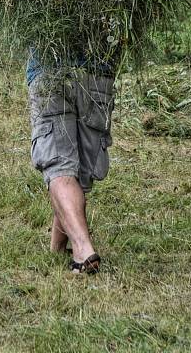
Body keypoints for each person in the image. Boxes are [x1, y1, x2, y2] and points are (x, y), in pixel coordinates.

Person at [26, 53, 115, 274]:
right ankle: (57, 248)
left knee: (60, 168)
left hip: (50, 71)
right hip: (97, 73)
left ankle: (83, 251)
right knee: (77, 176)